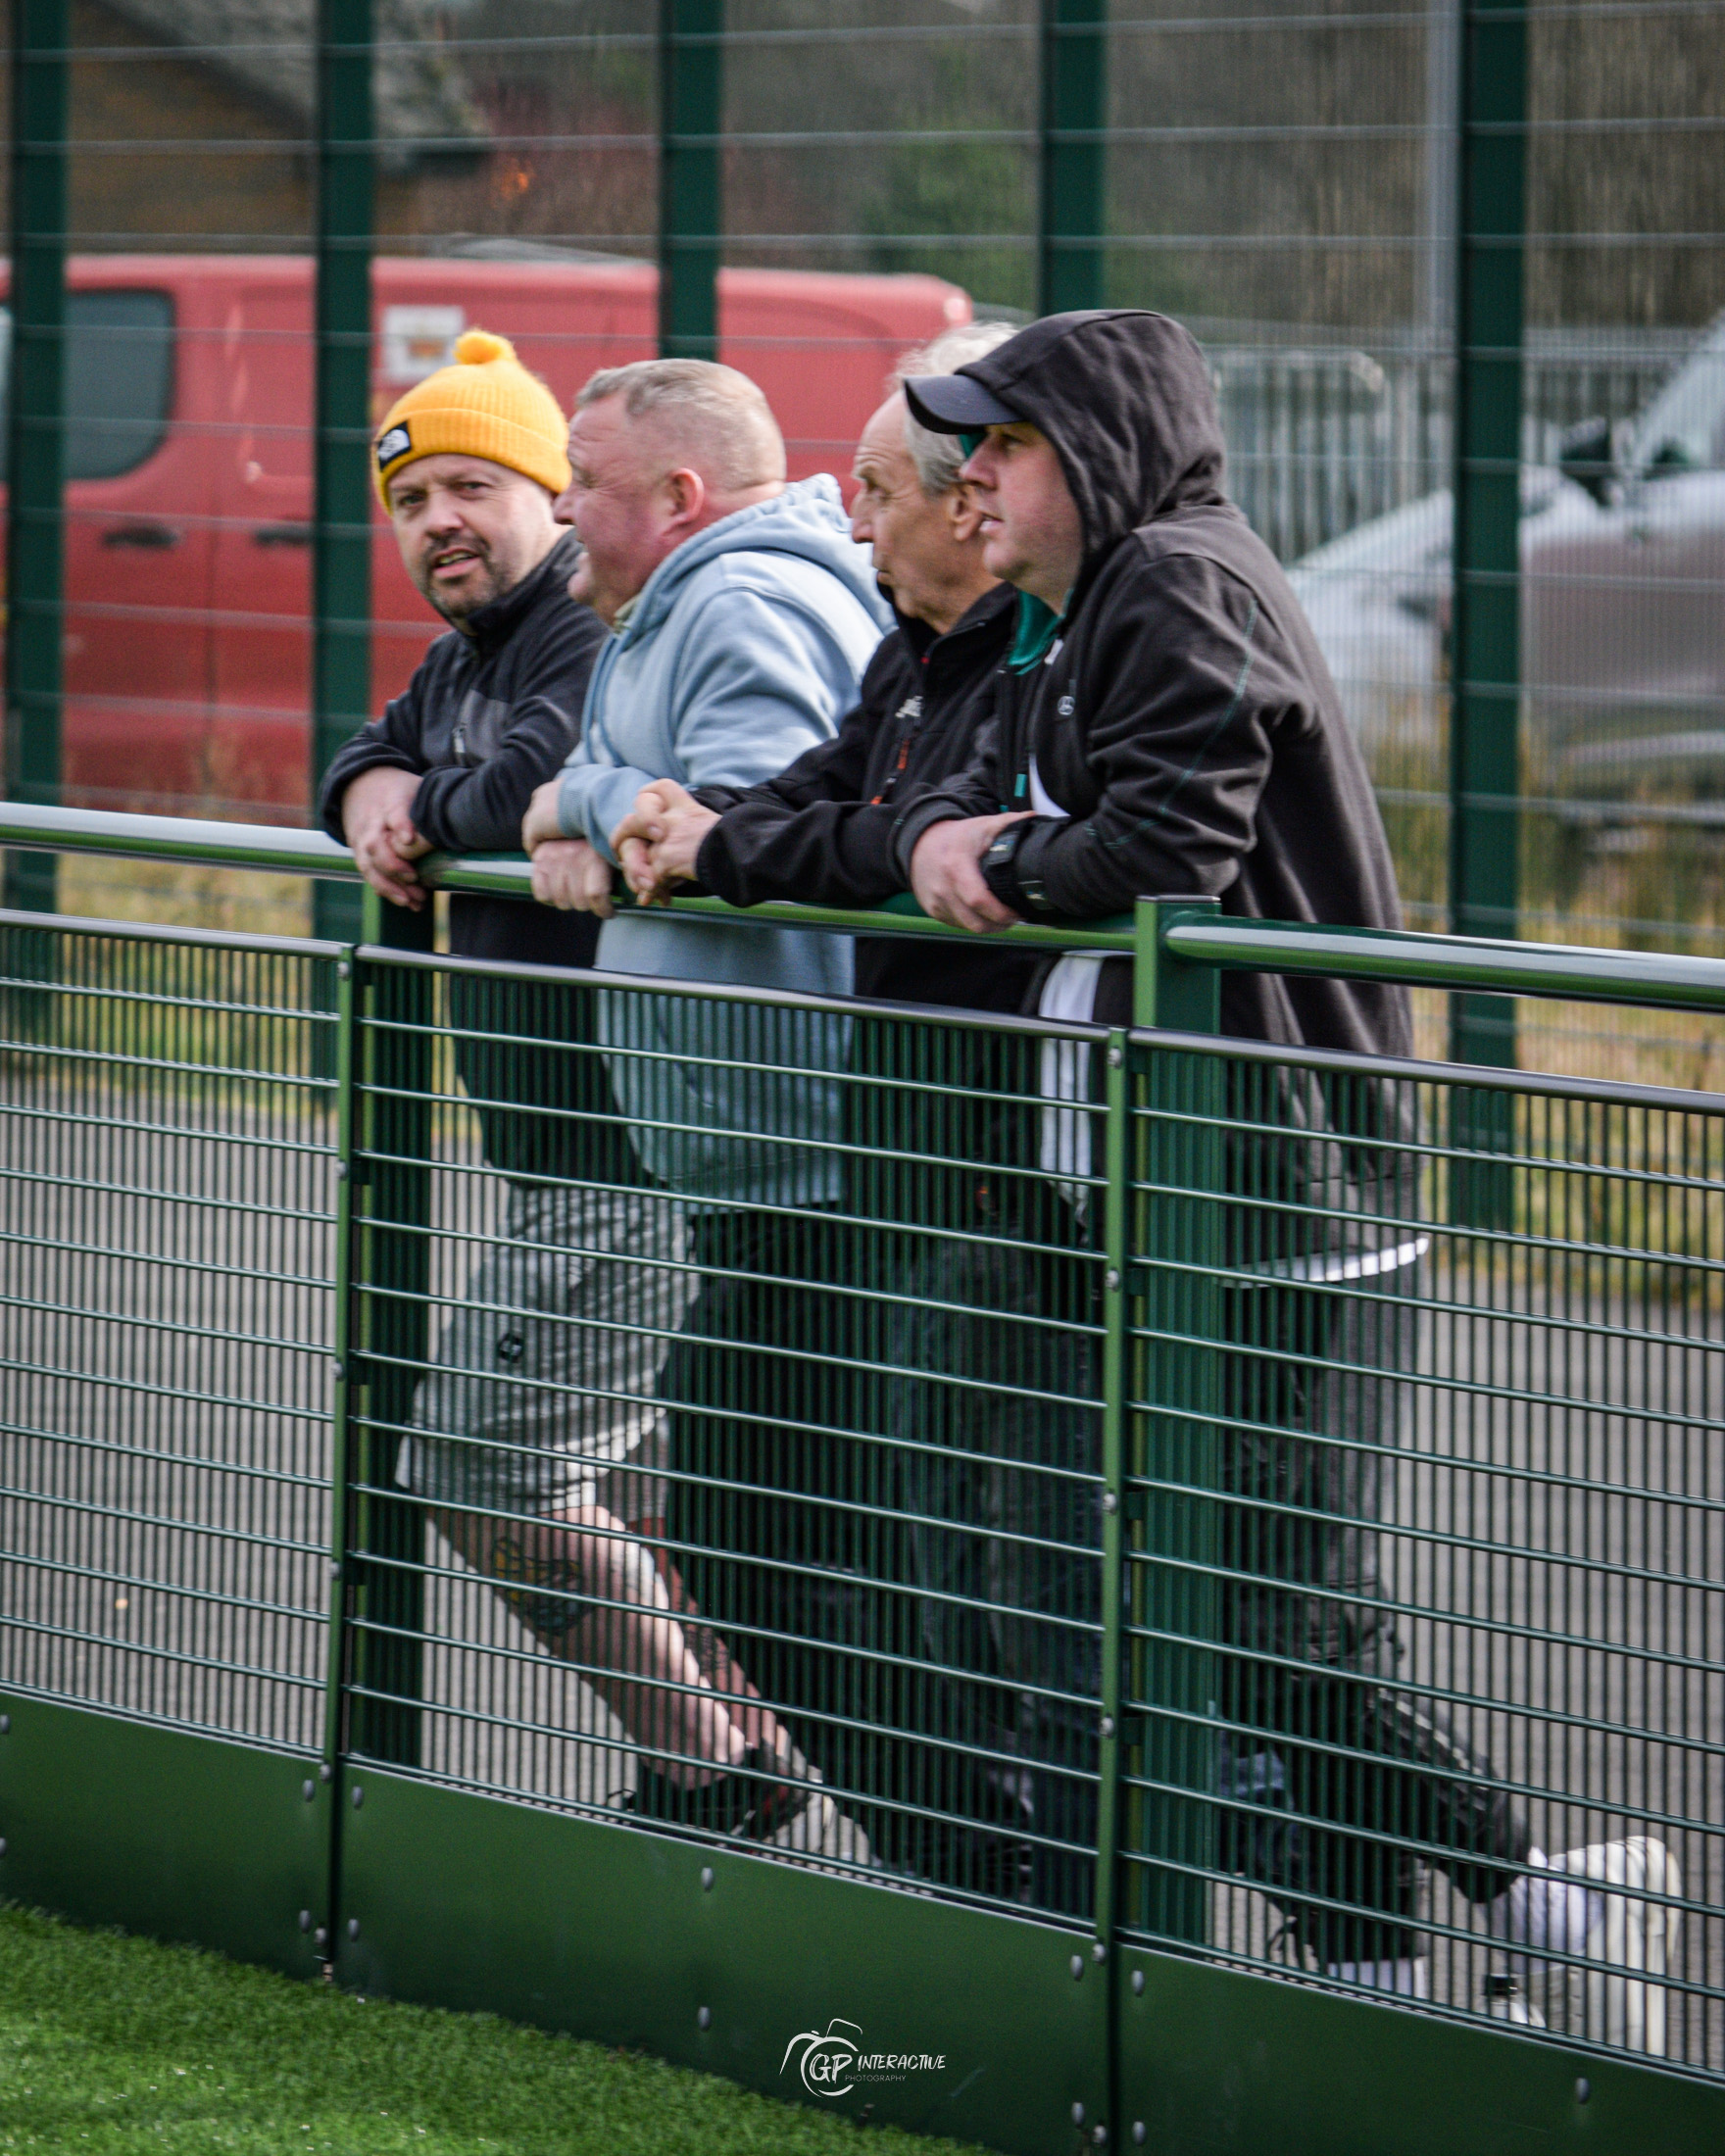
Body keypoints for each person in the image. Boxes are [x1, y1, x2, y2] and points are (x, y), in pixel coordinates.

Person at [882, 308, 1679, 2015]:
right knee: (1206, 1600)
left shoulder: (1175, 580)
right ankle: (1393, 1959)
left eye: (1003, 447)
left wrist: (995, 862)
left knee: (1273, 1609)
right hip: (1190, 1198)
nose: (976, 478)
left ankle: (1535, 1886)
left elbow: (1174, 840)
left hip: (1284, 1195)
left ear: (1090, 454)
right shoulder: (1102, 598)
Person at [318, 330, 817, 1850]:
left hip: (634, 1152)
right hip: (572, 1157)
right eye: (412, 501)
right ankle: (760, 1750)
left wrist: (430, 814)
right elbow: (379, 751)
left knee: (478, 1458)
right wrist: (366, 793)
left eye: (477, 484)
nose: (439, 522)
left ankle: (715, 1766)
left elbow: (531, 774)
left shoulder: (586, 630)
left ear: (558, 494)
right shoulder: (460, 651)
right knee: (662, 1501)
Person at [610, 323, 1072, 1894]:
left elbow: (842, 823)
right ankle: (962, 1872)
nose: (851, 516)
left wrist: (682, 822)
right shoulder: (912, 644)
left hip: (933, 1180)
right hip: (867, 1169)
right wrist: (642, 812)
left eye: (878, 488)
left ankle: (1013, 1892)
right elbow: (801, 799)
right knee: (768, 1527)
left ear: (977, 501)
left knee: (955, 1571)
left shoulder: (1046, 646)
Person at [519, 357, 887, 1850]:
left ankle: (983, 1879)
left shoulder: (737, 602)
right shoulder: (671, 607)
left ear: (677, 496)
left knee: (773, 1547)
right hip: (748, 1170)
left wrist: (591, 806)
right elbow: (603, 784)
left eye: (581, 483)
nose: (558, 510)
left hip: (798, 1171)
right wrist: (586, 796)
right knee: (759, 1540)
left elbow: (731, 828)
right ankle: (958, 1869)